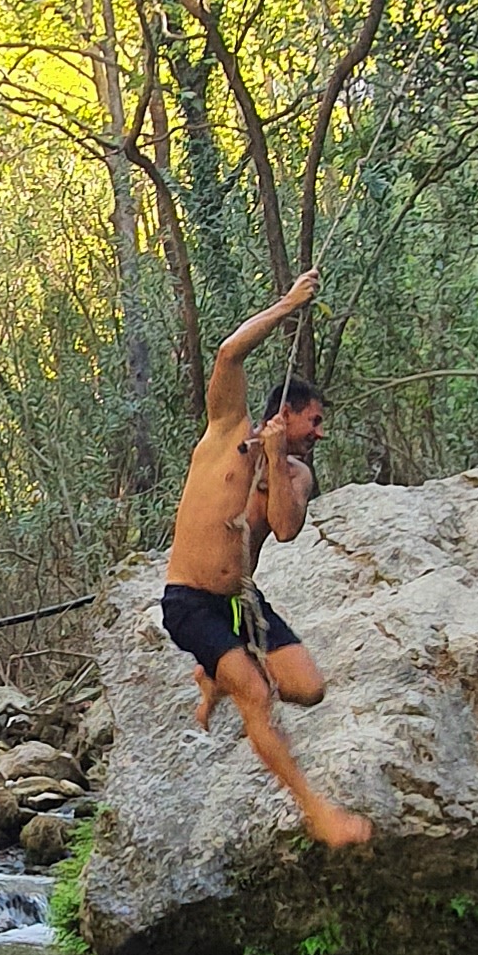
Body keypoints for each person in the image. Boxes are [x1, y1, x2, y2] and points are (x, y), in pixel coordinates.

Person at [160, 268, 372, 851]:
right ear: (288, 411)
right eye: (315, 421)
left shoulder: (296, 473)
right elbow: (229, 354)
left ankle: (215, 673)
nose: (320, 433)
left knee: (308, 688)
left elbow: (285, 528)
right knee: (256, 695)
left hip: (241, 604)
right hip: (189, 601)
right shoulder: (225, 431)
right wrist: (288, 304)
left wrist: (277, 459)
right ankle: (318, 813)